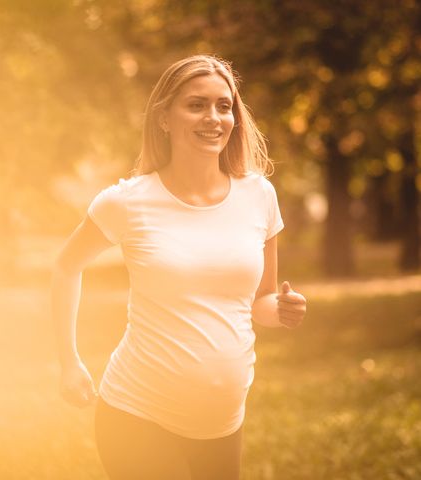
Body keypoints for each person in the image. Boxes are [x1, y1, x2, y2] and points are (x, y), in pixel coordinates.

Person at [51, 54, 307, 480]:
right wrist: (69, 361)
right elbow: (65, 267)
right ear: (165, 118)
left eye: (224, 106)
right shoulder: (128, 202)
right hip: (137, 414)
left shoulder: (259, 195)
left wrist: (281, 310)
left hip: (223, 425)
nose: (214, 117)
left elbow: (259, 302)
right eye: (196, 105)